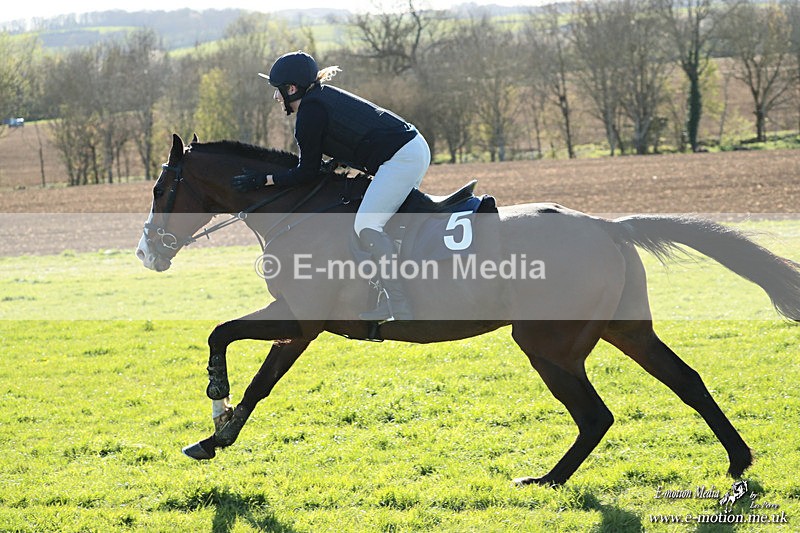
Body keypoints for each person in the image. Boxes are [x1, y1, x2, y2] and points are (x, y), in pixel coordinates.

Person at [232, 51, 430, 322]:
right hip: (409, 148)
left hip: (402, 157)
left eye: (278, 91)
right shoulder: (320, 97)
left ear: (292, 89)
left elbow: (306, 172)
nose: (276, 97)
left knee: (367, 226)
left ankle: (398, 303)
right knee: (383, 224)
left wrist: (263, 180)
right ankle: (400, 290)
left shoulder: (309, 114)